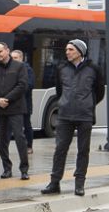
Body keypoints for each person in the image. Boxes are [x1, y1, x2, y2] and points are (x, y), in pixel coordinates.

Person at [40, 38, 100, 196]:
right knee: (60, 149)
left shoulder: (93, 68)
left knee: (83, 151)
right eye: (66, 50)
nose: (67, 52)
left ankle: (79, 184)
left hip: (84, 115)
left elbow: (99, 92)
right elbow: (59, 91)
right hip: (65, 115)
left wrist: (87, 104)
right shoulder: (62, 68)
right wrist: (64, 103)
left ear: (80, 52)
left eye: (71, 50)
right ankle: (54, 183)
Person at [0, 42, 29, 179]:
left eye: (0, 52)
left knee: (19, 138)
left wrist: (7, 99)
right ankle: (7, 169)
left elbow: (22, 85)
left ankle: (24, 170)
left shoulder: (20, 66)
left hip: (15, 108)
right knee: (2, 140)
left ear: (7, 51)